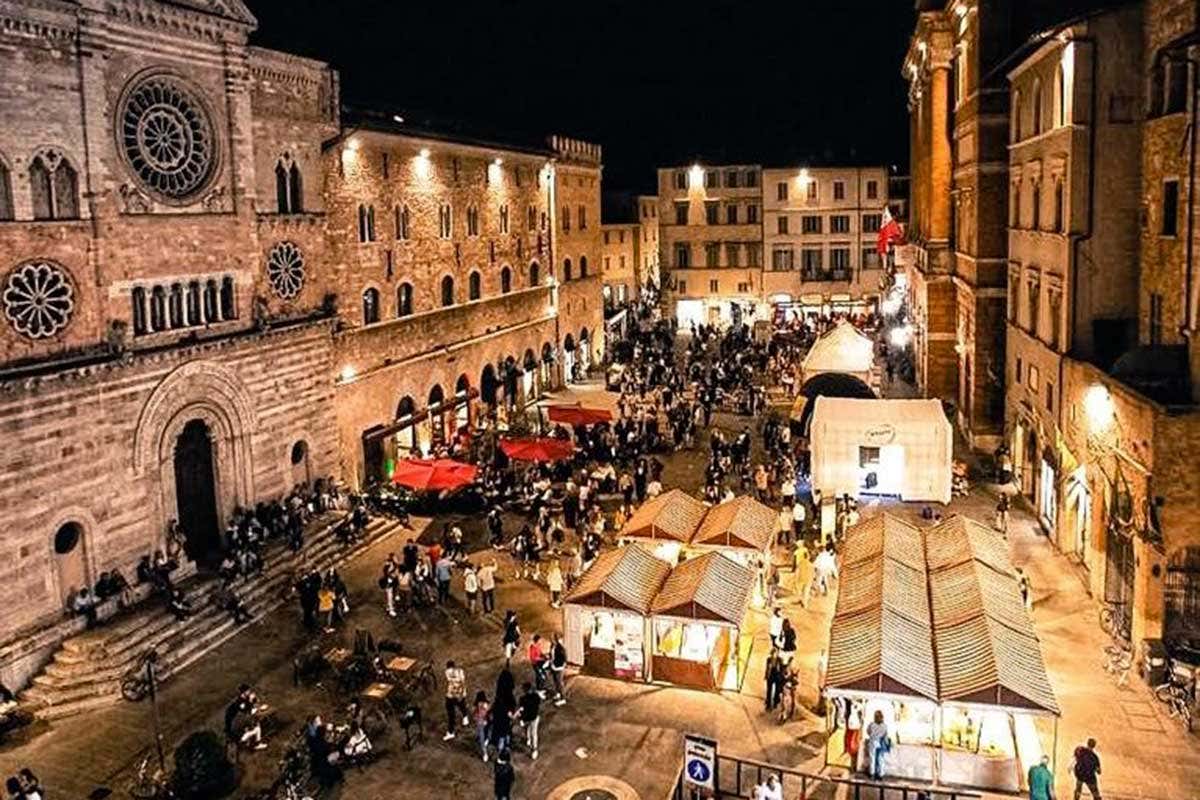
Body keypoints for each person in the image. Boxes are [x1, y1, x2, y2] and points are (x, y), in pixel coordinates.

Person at [443, 660, 470, 741]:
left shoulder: (447, 672)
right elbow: (463, 682)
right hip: (461, 693)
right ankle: (465, 717)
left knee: (451, 714)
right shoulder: (460, 671)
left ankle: (451, 732)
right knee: (462, 705)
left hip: (451, 695)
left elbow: (450, 680)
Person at [517, 682, 541, 760]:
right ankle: (533, 747)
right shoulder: (536, 697)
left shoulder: (523, 699)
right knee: (533, 732)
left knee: (530, 731)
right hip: (534, 717)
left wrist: (521, 719)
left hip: (527, 718)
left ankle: (531, 744)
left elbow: (521, 710)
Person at [865, 710, 890, 780]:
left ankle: (872, 773)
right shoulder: (884, 726)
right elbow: (885, 736)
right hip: (880, 743)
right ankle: (880, 774)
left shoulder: (871, 725)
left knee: (872, 758)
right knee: (880, 759)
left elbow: (868, 732)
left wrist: (873, 735)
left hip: (872, 742)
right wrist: (887, 744)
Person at [548, 633, 568, 706]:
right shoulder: (552, 646)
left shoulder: (561, 648)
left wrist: (562, 666)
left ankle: (563, 698)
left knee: (560, 683)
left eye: (552, 639)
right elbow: (551, 655)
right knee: (555, 681)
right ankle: (558, 694)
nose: (551, 640)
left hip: (559, 668)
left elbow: (564, 659)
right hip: (553, 666)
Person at [473, 691, 492, 762]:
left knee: (481, 738)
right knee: (486, 734)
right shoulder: (487, 704)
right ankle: (487, 741)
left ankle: (485, 753)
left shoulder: (478, 705)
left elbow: (475, 714)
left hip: (480, 723)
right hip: (486, 722)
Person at [845, 705, 863, 772]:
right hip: (854, 732)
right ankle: (853, 767)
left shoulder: (853, 715)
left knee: (853, 752)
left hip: (854, 732)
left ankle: (853, 767)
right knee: (854, 752)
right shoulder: (855, 715)